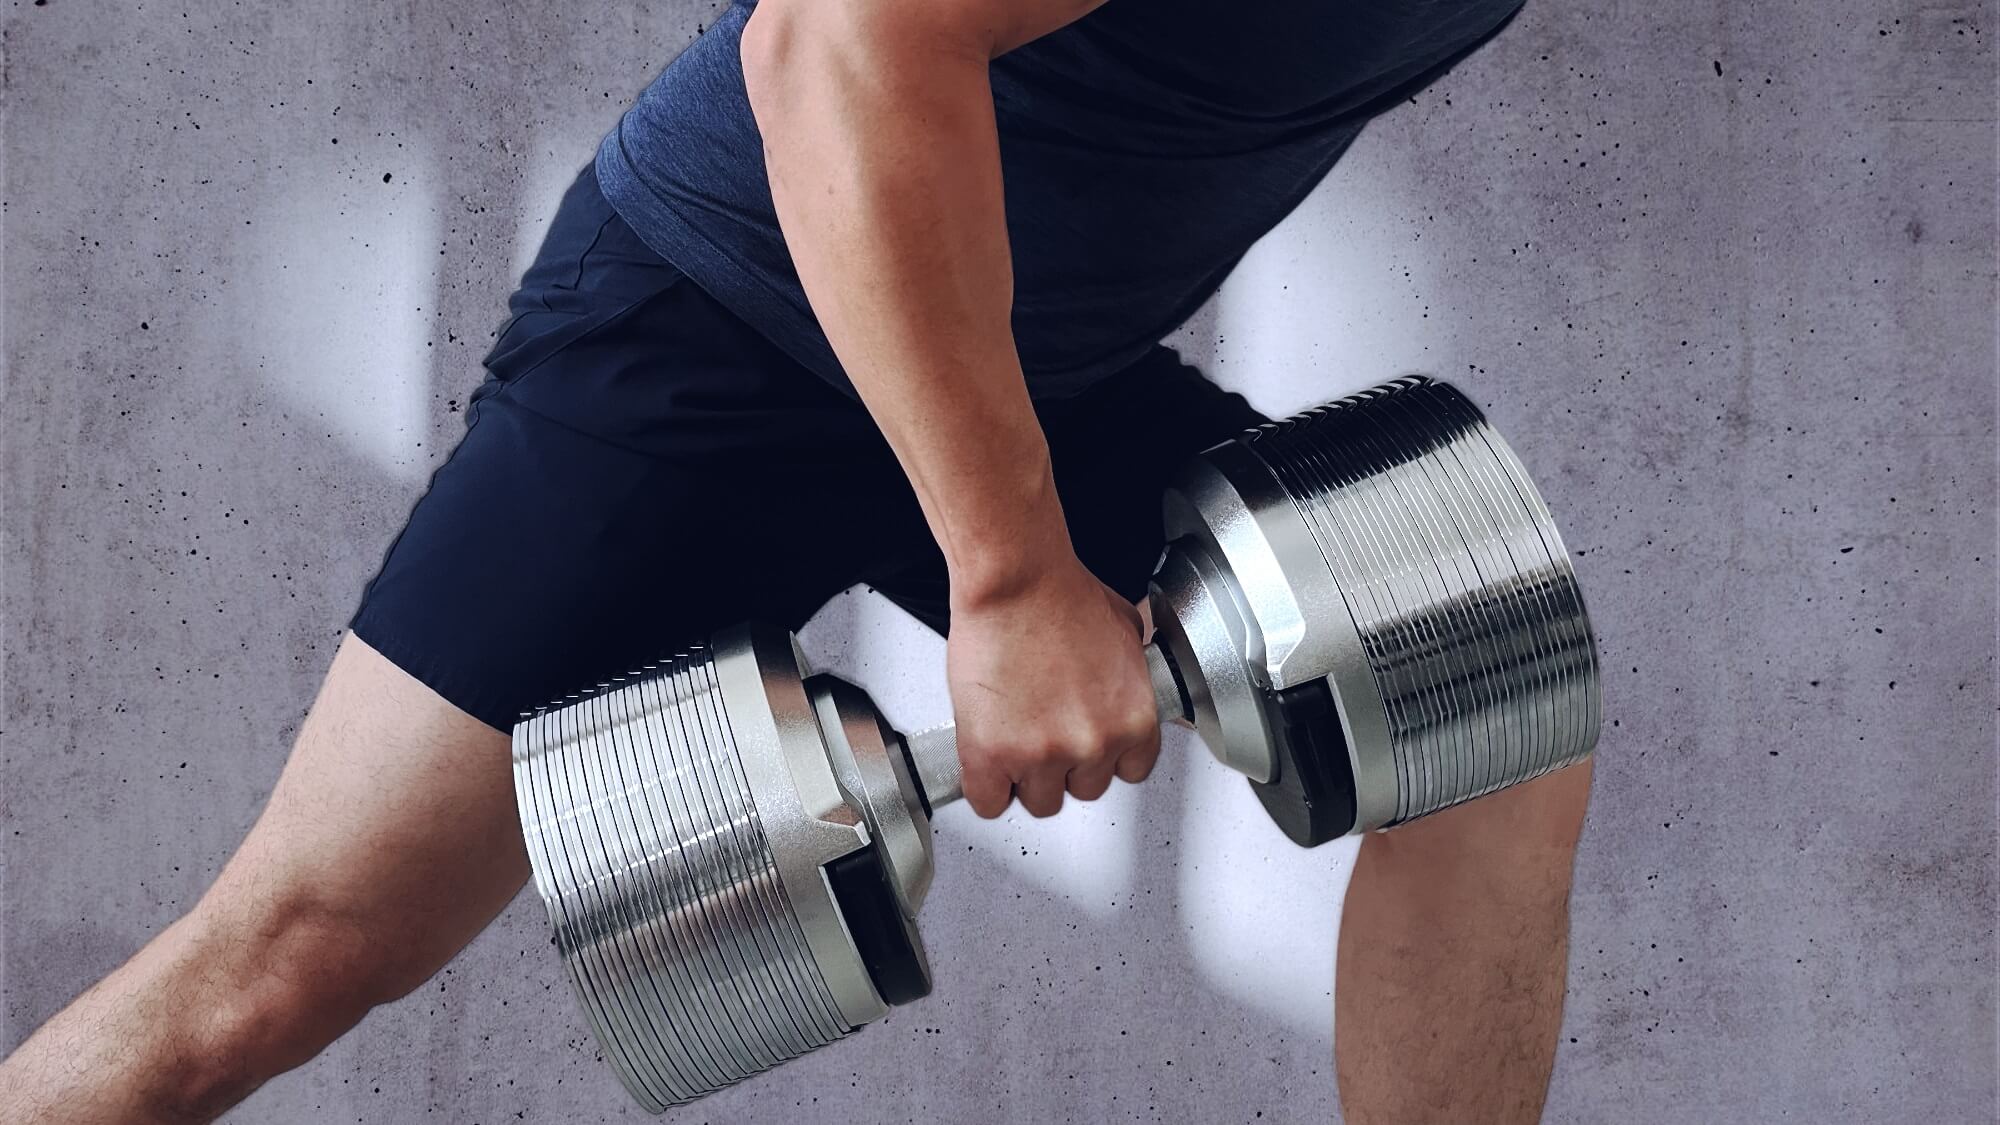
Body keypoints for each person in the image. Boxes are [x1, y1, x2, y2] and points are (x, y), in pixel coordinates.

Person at [0, 0, 1592, 1121]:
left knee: (1483, 702)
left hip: (1039, 363)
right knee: (278, 968)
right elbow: (837, 40)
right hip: (715, 331)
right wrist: (1014, 577)